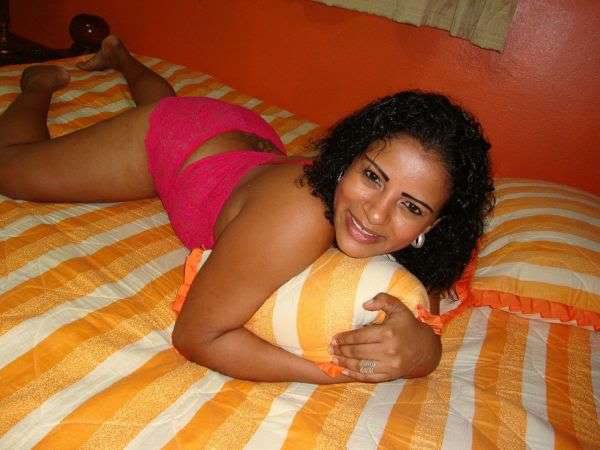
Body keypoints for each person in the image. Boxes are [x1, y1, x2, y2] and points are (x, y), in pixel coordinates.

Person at [0, 36, 494, 384]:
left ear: (434, 223)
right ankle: (38, 83)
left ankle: (120, 57)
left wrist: (422, 352)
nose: (376, 215)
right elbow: (197, 336)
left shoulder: (421, 243)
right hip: (182, 144)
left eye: (411, 205)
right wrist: (334, 374)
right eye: (372, 176)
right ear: (348, 159)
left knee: (175, 102)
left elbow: (423, 317)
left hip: (251, 142)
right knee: (11, 169)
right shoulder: (300, 215)